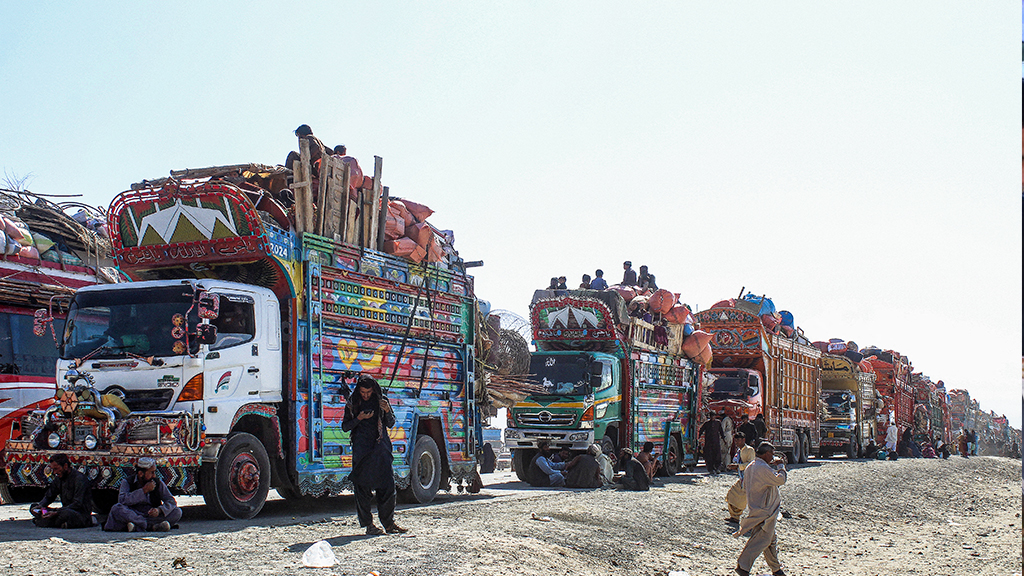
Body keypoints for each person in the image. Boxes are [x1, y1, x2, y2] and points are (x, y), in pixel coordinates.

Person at [341, 376, 407, 535]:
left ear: (374, 390)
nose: (365, 395)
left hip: (381, 449)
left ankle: (389, 524)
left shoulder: (382, 401)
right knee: (362, 488)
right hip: (362, 451)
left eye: (368, 392)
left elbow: (391, 423)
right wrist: (359, 418)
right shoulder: (353, 403)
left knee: (387, 487)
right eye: (363, 392)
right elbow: (345, 427)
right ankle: (368, 525)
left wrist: (387, 410)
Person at [734, 442, 788, 576]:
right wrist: (781, 467)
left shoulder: (751, 466)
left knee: (770, 540)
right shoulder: (762, 468)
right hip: (766, 510)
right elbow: (780, 480)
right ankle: (743, 566)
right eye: (772, 454)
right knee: (762, 540)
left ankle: (776, 569)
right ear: (767, 453)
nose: (772, 457)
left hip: (756, 507)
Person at [104, 457, 181, 532]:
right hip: (133, 514)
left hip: (150, 515)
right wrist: (143, 491)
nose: (154, 475)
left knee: (177, 511)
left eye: (154, 472)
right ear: (141, 474)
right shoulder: (127, 482)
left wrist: (159, 510)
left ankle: (138, 526)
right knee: (116, 508)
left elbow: (171, 501)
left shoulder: (157, 483)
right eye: (151, 472)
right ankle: (151, 526)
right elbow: (122, 500)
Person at [31, 454, 93, 529]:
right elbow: (49, 496)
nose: (54, 472)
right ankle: (56, 522)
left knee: (65, 514)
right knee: (33, 507)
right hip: (63, 510)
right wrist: (40, 506)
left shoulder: (79, 479)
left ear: (65, 466)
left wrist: (57, 512)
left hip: (78, 513)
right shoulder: (59, 479)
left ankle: (46, 521)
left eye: (56, 469)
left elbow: (77, 504)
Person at [725, 432, 756, 524]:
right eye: (736, 441)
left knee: (740, 499)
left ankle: (736, 517)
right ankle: (734, 516)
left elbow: (751, 464)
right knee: (731, 495)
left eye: (738, 440)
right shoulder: (739, 451)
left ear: (743, 440)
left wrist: (738, 466)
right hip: (743, 478)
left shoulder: (749, 450)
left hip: (749, 479)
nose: (737, 442)